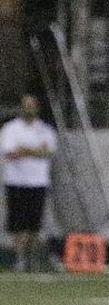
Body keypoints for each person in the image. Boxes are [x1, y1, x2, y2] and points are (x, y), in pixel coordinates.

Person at [0, 94, 57, 272]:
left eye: (32, 105)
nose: (28, 109)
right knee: (17, 223)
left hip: (38, 181)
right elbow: (10, 153)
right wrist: (36, 150)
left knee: (34, 223)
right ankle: (19, 258)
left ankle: (31, 257)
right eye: (26, 105)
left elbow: (48, 153)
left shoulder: (46, 130)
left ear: (37, 107)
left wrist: (24, 149)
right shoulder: (10, 129)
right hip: (16, 181)